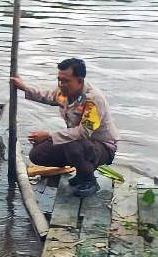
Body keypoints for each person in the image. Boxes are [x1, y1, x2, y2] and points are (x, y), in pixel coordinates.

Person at [11, 58, 119, 197]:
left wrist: (49, 135)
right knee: (37, 154)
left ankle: (89, 180)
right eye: (59, 80)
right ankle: (82, 171)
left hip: (102, 147)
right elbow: (47, 96)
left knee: (71, 144)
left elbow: (83, 132)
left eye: (66, 81)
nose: (61, 84)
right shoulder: (65, 93)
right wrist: (24, 87)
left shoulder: (92, 99)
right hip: (78, 143)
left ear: (79, 81)